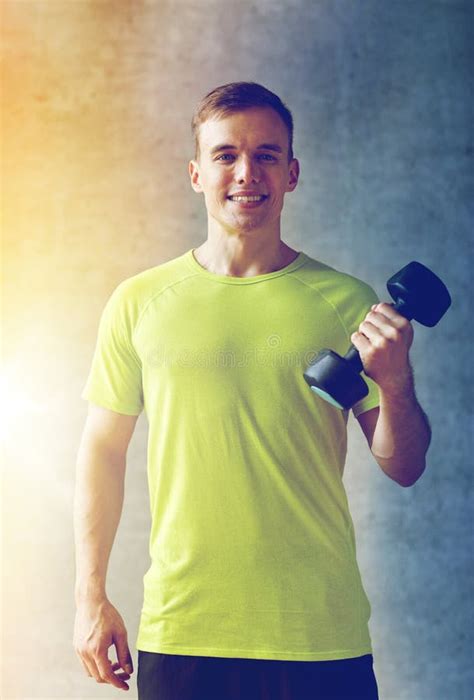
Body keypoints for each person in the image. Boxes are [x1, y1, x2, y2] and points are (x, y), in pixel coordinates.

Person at [73, 82, 431, 700]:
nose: (247, 173)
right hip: (184, 633)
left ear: (291, 173)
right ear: (195, 173)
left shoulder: (345, 301)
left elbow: (403, 466)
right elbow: (103, 451)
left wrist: (396, 382)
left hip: (318, 635)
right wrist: (90, 596)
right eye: (226, 155)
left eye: (267, 155)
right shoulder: (139, 303)